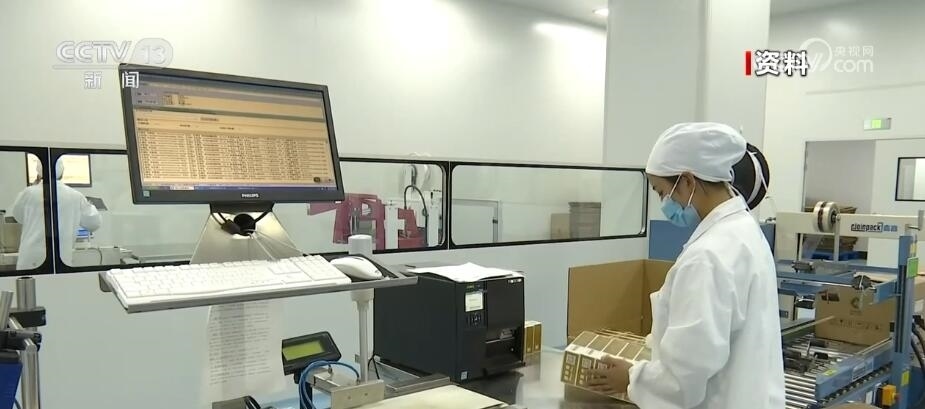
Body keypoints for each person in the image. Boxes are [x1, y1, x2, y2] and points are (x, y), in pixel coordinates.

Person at [588, 122, 785, 409]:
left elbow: (683, 380)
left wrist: (632, 378)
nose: (664, 204)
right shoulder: (744, 231)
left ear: (688, 182)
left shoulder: (707, 257)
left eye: (662, 192)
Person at [11, 160, 101, 270]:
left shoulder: (28, 193)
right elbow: (94, 223)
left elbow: (18, 216)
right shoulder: (75, 196)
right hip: (60, 260)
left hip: (29, 260)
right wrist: (90, 205)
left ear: (39, 174)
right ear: (63, 173)